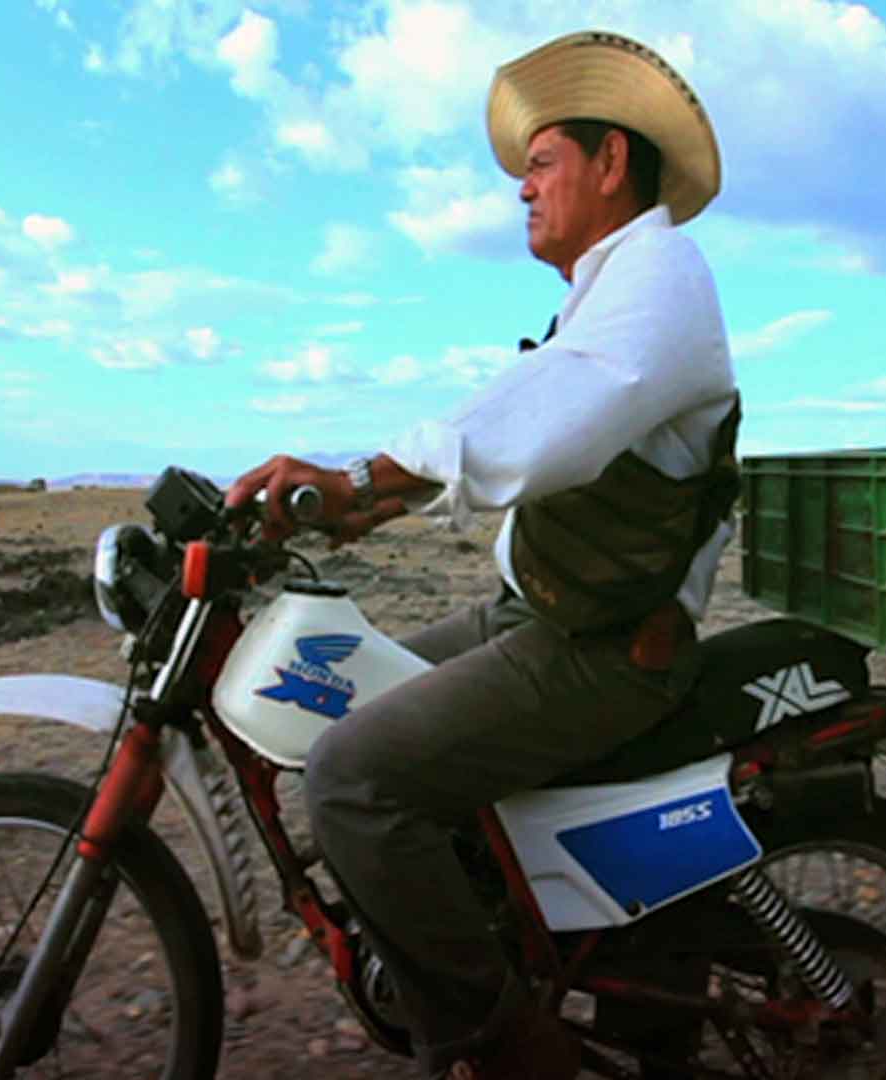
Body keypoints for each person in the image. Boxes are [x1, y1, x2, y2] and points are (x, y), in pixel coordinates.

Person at [225, 29, 736, 1080]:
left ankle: (508, 1047)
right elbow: (514, 412)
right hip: (542, 615)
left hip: (603, 649)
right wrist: (358, 507)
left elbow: (545, 421)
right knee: (344, 693)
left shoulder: (660, 276)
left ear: (612, 161)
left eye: (541, 161)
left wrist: (362, 482)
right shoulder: (604, 291)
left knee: (353, 778)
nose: (522, 190)